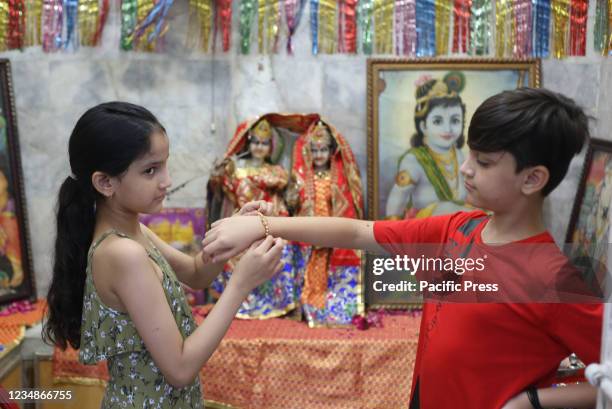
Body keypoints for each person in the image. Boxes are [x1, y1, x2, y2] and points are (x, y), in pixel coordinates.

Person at [203, 88, 603, 408]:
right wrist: (262, 224)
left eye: (482, 162)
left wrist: (532, 401)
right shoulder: (458, 229)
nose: (465, 169)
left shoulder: (551, 277)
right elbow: (358, 232)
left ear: (532, 179)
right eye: (469, 156)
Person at [42, 102, 284, 408]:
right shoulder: (122, 253)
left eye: (164, 165)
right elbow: (180, 369)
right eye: (150, 170)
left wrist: (234, 229)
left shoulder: (135, 232)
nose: (166, 181)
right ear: (105, 183)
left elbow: (197, 273)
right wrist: (241, 284)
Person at [208, 116, 299, 319]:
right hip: (242, 224)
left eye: (264, 143)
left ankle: (274, 304)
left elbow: (285, 188)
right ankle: (237, 304)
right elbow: (223, 188)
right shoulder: (236, 170)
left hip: (269, 225)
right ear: (249, 142)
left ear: (271, 146)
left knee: (279, 252)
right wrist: (218, 174)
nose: (259, 147)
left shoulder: (276, 172)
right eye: (255, 142)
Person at [285, 120, 363, 327]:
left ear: (331, 151)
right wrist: (294, 193)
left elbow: (346, 202)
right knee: (313, 272)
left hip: (332, 233)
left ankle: (334, 309)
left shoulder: (337, 177)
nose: (319, 155)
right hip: (311, 234)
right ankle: (313, 309)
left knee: (331, 270)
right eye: (315, 150)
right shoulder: (303, 177)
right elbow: (293, 203)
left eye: (323, 150)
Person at [386, 72, 470, 219]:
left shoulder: (458, 154)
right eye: (438, 121)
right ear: (423, 126)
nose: (448, 129)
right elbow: (396, 204)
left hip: (456, 229)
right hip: (424, 232)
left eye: (455, 121)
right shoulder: (413, 160)